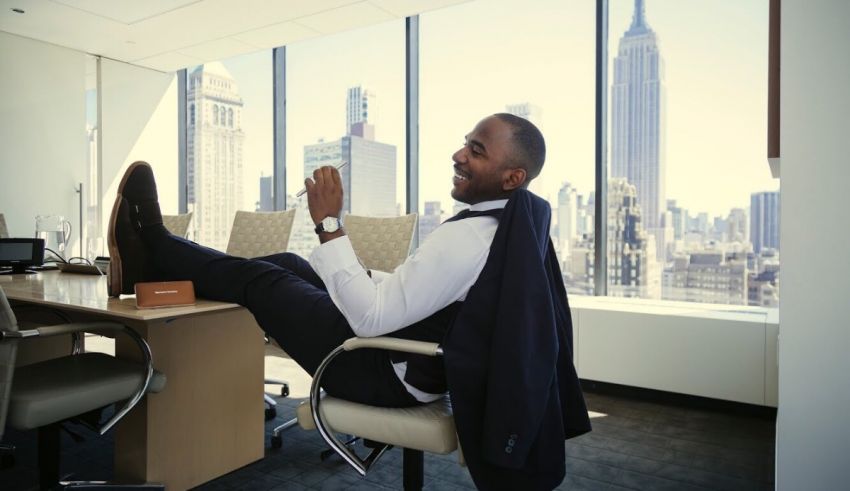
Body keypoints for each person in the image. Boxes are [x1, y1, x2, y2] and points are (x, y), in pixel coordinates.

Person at [107, 113, 547, 409]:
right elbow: (424, 294)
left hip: (379, 370)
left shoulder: (470, 237)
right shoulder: (506, 227)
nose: (459, 156)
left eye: (477, 151)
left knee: (265, 282)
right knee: (290, 263)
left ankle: (154, 246)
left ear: (513, 177)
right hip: (408, 357)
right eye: (465, 145)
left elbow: (371, 318)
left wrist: (329, 222)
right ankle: (155, 262)